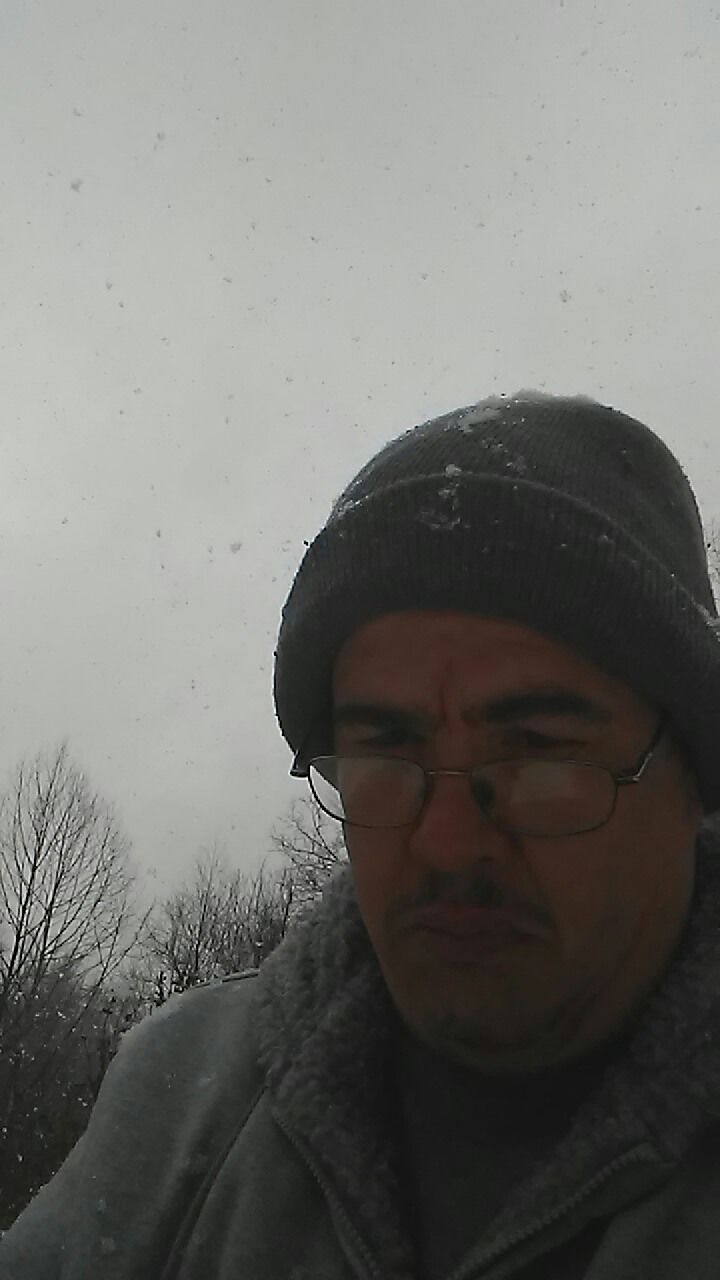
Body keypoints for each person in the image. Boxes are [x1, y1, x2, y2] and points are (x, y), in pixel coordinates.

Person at [3, 391, 720, 1280]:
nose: (448, 844)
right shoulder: (185, 1095)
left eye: (537, 752)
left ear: (692, 779)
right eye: (387, 752)